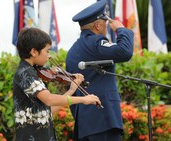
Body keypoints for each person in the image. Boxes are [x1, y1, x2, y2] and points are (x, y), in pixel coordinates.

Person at [13, 27, 101, 141]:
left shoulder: (33, 72)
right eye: (47, 51)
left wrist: (71, 91)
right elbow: (49, 99)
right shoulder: (25, 73)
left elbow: (47, 111)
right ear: (33, 51)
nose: (49, 56)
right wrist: (83, 99)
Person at [66, 0, 134, 141]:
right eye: (105, 23)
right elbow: (125, 52)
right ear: (97, 25)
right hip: (103, 119)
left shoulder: (72, 51)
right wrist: (121, 29)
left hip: (84, 122)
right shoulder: (95, 42)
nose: (107, 27)